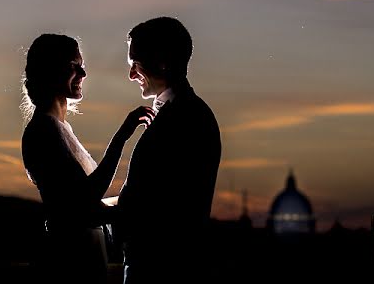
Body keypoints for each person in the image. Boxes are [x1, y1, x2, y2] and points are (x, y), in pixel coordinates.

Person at [20, 33, 154, 284]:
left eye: (82, 65)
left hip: (86, 256)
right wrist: (121, 137)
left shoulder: (60, 128)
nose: (83, 74)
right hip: (68, 263)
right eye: (74, 66)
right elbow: (85, 201)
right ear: (51, 70)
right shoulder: (43, 131)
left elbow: (89, 203)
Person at [114, 16, 222, 283]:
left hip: (161, 271)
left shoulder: (186, 118)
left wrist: (81, 212)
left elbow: (157, 204)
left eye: (135, 64)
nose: (131, 75)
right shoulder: (186, 113)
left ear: (162, 61)